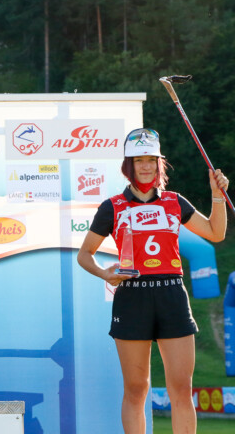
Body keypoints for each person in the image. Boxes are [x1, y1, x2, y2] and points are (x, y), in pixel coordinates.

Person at [77, 127, 228, 434]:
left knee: (181, 389)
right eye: (138, 160)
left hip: (172, 295)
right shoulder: (112, 207)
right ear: (128, 166)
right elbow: (85, 255)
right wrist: (107, 274)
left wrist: (217, 194)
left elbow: (216, 232)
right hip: (132, 297)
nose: (145, 166)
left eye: (150, 159)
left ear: (159, 164)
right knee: (136, 389)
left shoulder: (174, 202)